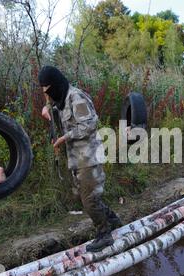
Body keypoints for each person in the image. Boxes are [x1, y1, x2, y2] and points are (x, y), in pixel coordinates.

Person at [38, 66, 122, 253]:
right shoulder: (61, 99)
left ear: (56, 84)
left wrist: (64, 138)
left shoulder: (76, 97)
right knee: (84, 195)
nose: (48, 95)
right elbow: (56, 109)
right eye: (45, 92)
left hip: (89, 156)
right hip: (77, 158)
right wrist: (47, 109)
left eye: (48, 90)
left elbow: (90, 124)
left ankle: (104, 234)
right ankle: (113, 219)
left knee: (89, 199)